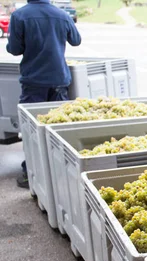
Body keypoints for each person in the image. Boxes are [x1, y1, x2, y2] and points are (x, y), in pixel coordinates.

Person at [6, 0, 81, 189]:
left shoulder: (19, 15)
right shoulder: (61, 14)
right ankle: (62, 174)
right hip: (59, 80)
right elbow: (76, 40)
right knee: (58, 130)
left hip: (34, 82)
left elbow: (14, 49)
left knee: (31, 130)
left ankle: (30, 174)